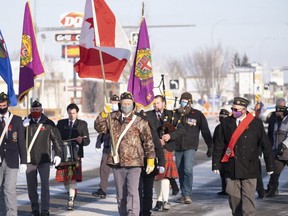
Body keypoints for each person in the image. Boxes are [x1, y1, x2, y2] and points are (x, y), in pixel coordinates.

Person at [95, 92, 156, 216]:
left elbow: (148, 141)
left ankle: (133, 214)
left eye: (128, 103)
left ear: (133, 104)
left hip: (135, 162)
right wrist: (104, 113)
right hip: (118, 162)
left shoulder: (139, 121)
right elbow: (99, 127)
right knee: (121, 194)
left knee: (132, 192)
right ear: (120, 104)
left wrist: (150, 159)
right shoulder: (112, 118)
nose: (126, 106)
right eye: (124, 104)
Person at [212, 97, 274, 216]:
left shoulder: (256, 123)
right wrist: (216, 164)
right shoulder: (225, 123)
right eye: (232, 109)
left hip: (250, 166)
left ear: (244, 110)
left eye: (236, 109)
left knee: (248, 199)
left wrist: (270, 165)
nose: (233, 111)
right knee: (234, 198)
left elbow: (265, 145)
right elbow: (219, 145)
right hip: (231, 166)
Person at [24, 100, 62, 216]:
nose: (35, 112)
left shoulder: (48, 123)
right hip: (30, 159)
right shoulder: (26, 123)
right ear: (30, 110)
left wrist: (58, 154)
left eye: (37, 110)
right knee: (31, 186)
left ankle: (45, 209)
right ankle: (34, 208)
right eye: (33, 110)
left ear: (41, 110)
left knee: (45, 185)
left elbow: (56, 140)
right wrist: (22, 128)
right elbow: (19, 141)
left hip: (44, 159)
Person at [174, 92, 213, 204]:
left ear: (190, 102)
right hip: (177, 146)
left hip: (190, 146)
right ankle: (183, 193)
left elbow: (205, 130)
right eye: (182, 100)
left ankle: (187, 194)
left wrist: (210, 145)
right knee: (180, 171)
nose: (183, 102)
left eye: (186, 100)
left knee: (187, 169)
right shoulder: (175, 113)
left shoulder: (197, 114)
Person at [145, 95, 181, 212]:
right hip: (153, 148)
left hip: (167, 147)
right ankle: (159, 200)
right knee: (156, 176)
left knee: (165, 176)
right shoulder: (148, 115)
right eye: (154, 103)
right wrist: (155, 140)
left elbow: (181, 130)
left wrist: (170, 136)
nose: (156, 105)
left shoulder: (171, 115)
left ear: (164, 103)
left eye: (158, 103)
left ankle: (165, 200)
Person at [56, 103, 90, 210]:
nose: (72, 115)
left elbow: (87, 141)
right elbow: (56, 137)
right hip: (63, 154)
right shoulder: (61, 123)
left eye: (74, 113)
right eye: (70, 113)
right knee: (65, 179)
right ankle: (71, 191)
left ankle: (71, 199)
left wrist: (82, 140)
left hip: (76, 155)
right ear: (67, 113)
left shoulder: (82, 124)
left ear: (77, 113)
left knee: (72, 178)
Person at [0, 92, 27, 216]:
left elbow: (21, 142)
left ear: (8, 105)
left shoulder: (16, 120)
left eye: (4, 105)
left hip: (12, 160)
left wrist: (24, 161)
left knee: (9, 189)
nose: (1, 108)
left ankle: (11, 214)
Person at [92, 95, 120, 199]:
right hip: (108, 146)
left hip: (119, 148)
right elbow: (101, 128)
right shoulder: (107, 113)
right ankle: (102, 189)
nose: (115, 104)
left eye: (117, 102)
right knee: (104, 169)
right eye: (113, 102)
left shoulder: (122, 114)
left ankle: (121, 190)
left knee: (119, 171)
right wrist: (99, 141)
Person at [265, 100, 288, 198]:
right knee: (274, 172)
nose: (277, 111)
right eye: (277, 108)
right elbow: (271, 134)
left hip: (285, 150)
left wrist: (284, 145)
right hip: (277, 152)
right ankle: (272, 190)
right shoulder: (273, 119)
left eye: (280, 109)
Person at [212, 108, 229, 195]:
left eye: (224, 117)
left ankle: (229, 189)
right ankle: (224, 189)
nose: (221, 118)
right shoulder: (218, 128)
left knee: (228, 173)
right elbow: (214, 141)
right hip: (220, 153)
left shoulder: (230, 127)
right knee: (222, 172)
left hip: (228, 153)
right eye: (220, 117)